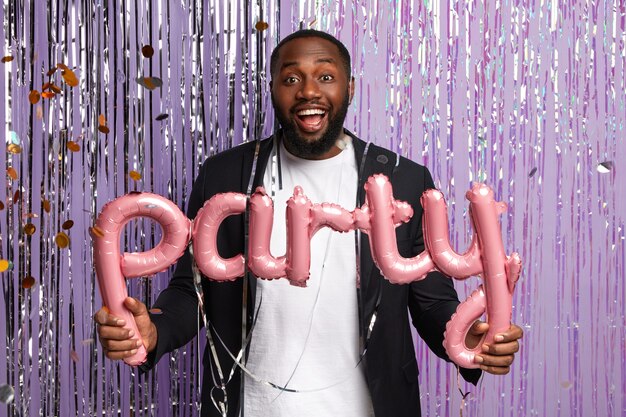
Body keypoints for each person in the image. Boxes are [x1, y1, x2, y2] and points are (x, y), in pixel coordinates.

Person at [95, 30, 523, 417]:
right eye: (292, 78)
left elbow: (430, 303)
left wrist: (469, 340)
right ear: (273, 90)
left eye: (326, 76)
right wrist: (152, 333)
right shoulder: (225, 175)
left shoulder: (403, 180)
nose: (308, 92)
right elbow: (194, 292)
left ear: (350, 88)